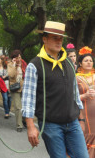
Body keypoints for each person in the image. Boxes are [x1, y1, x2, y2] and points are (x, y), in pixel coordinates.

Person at [22, 21, 88, 158]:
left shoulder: (69, 63)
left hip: (73, 123)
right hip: (51, 125)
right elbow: (28, 99)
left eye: (61, 38)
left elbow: (74, 94)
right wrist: (30, 126)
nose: (59, 41)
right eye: (54, 38)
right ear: (44, 39)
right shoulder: (34, 65)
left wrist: (81, 119)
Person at [76, 46, 95, 157]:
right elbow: (72, 98)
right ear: (80, 63)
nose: (89, 63)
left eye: (91, 61)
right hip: (83, 114)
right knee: (86, 138)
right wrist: (84, 95)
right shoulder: (76, 78)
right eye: (86, 61)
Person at [7, 50, 26, 132]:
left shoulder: (24, 64)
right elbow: (11, 75)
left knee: (25, 106)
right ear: (14, 58)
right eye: (17, 57)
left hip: (24, 87)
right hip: (15, 88)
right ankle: (19, 125)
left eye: (20, 57)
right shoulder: (10, 65)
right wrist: (14, 65)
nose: (19, 59)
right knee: (18, 107)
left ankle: (24, 121)